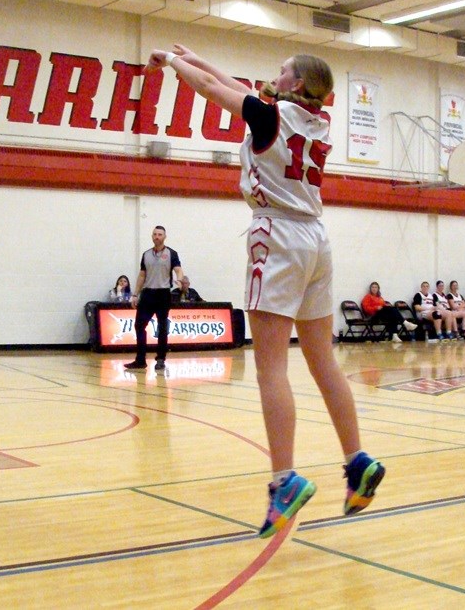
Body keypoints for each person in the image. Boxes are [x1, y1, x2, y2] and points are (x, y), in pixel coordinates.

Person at [146, 45, 385, 538]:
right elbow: (234, 85)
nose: (273, 76)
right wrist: (193, 54)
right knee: (323, 361)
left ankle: (284, 480)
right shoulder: (309, 120)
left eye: (283, 71)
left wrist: (172, 64)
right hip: (316, 238)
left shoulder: (272, 117)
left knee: (270, 367)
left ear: (297, 84)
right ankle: (357, 459)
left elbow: (216, 91)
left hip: (275, 236)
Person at [124, 226, 185, 371]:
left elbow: (178, 270)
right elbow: (142, 275)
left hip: (163, 293)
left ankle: (161, 359)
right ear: (152, 236)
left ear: (165, 237)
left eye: (160, 234)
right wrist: (135, 294)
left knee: (162, 327)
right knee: (139, 325)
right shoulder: (146, 254)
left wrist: (179, 280)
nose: (157, 237)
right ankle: (140, 360)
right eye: (155, 234)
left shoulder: (171, 253)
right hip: (148, 293)